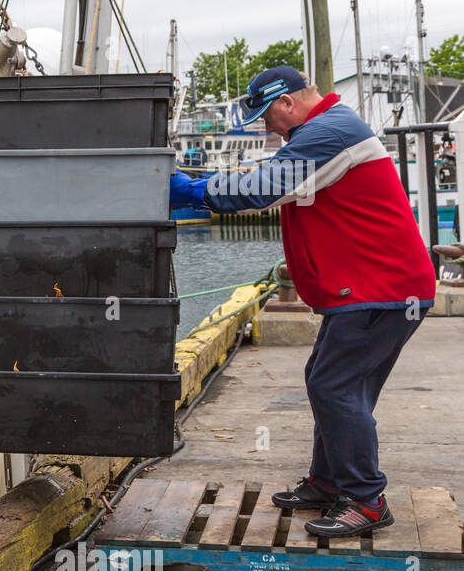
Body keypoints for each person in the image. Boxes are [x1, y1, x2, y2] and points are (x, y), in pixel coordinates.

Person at [170, 65, 437, 537]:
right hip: (375, 288)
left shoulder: (328, 132)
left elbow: (262, 188)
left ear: (286, 103)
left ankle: (365, 499)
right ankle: (332, 481)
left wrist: (188, 190)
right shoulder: (328, 131)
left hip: (382, 288)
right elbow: (279, 181)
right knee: (330, 382)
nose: (264, 127)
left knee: (335, 386)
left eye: (265, 116)